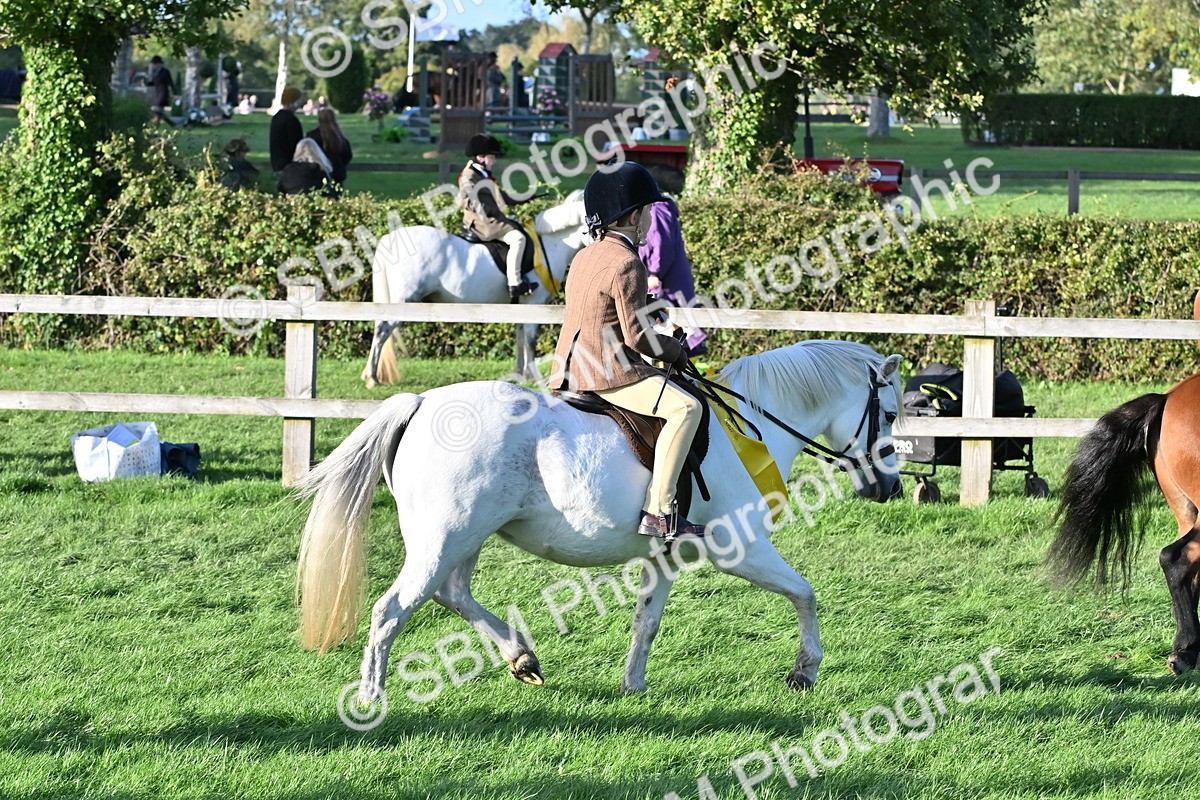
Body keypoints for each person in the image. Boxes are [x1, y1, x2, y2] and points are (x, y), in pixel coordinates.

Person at [548, 162, 705, 541]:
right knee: (687, 407)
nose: (652, 218)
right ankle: (660, 511)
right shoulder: (627, 262)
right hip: (606, 370)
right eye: (649, 211)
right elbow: (637, 339)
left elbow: (599, 309)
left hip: (568, 366)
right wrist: (674, 352)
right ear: (633, 216)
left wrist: (646, 302)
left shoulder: (586, 255)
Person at [456, 133, 536, 301]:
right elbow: (466, 201)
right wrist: (487, 209)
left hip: (490, 218)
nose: (494, 161)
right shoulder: (469, 176)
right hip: (482, 222)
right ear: (481, 157)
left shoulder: (483, 173)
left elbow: (499, 196)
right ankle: (515, 283)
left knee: (518, 227)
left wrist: (523, 198)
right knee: (518, 238)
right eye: (492, 157)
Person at [639, 166, 707, 356]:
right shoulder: (655, 209)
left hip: (666, 284)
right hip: (666, 284)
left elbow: (661, 246)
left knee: (675, 339)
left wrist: (654, 272)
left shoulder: (657, 211)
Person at [306, 108, 353, 187]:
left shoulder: (312, 136)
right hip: (336, 174)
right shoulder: (340, 138)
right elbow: (347, 156)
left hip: (318, 173)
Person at [269, 86, 304, 172]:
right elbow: (296, 143)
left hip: (277, 162)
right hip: (289, 164)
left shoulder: (276, 117)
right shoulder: (291, 120)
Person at [143, 56, 178, 128]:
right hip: (157, 94)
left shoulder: (165, 72)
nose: (153, 66)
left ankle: (171, 123)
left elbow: (170, 82)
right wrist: (145, 81)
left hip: (163, 94)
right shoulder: (156, 73)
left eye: (154, 64)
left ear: (158, 64)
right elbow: (153, 83)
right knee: (158, 112)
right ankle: (157, 126)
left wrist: (175, 93)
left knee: (157, 111)